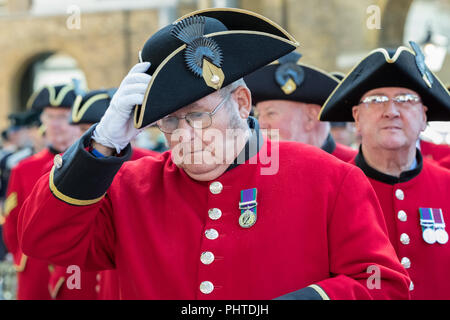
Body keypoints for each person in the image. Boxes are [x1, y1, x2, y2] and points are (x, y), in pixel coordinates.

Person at [18, 8, 410, 300]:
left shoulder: (328, 178)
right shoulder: (131, 189)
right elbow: (43, 241)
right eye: (168, 121)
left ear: (241, 102)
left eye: (198, 115)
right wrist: (103, 139)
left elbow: (385, 285)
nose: (185, 134)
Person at [319, 42, 450, 299]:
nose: (391, 111)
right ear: (356, 117)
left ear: (424, 117)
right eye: (377, 100)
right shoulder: (328, 191)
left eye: (405, 99)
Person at [2, 84, 98, 300]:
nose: (55, 124)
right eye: (49, 116)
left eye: (63, 116)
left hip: (80, 269)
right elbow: (13, 222)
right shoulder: (23, 168)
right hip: (37, 269)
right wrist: (20, 257)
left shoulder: (95, 164)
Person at [70, 87, 161, 299]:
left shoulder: (148, 163)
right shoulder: (71, 166)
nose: (86, 134)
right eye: (82, 128)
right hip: (85, 272)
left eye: (93, 127)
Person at [244, 52, 356, 162]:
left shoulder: (354, 167)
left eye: (270, 113)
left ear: (310, 118)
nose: (261, 124)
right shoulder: (255, 165)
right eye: (259, 115)